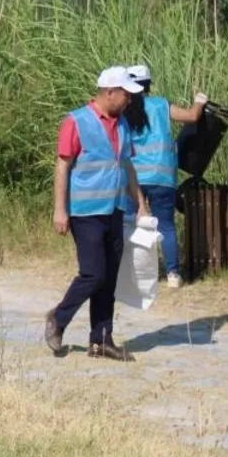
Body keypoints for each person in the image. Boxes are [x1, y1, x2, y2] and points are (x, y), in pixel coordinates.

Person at [44, 66, 151, 362]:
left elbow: (127, 166)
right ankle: (58, 318)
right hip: (85, 212)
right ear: (110, 92)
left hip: (114, 209)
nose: (130, 101)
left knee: (109, 278)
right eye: (126, 95)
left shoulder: (123, 124)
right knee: (94, 274)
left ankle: (101, 340)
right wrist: (59, 210)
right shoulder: (76, 121)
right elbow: (62, 165)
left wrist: (140, 204)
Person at [123, 64, 207, 289]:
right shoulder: (161, 105)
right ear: (148, 85)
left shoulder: (123, 109)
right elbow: (192, 116)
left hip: (133, 177)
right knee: (166, 226)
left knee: (130, 224)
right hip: (162, 176)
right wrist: (199, 101)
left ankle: (132, 272)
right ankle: (173, 274)